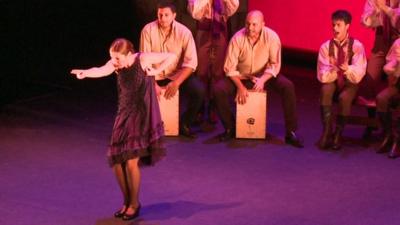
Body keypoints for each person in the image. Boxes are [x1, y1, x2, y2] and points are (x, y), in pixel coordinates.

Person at [70, 38, 176, 220]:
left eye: (117, 58)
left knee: (131, 162)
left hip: (140, 114)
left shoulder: (142, 59)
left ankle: (134, 204)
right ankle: (127, 201)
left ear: (128, 55)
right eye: (112, 58)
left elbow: (171, 56)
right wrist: (85, 73)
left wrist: (157, 71)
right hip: (124, 113)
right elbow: (102, 70)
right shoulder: (116, 63)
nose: (114, 62)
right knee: (116, 160)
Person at [212, 10, 303, 148]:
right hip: (241, 76)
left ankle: (291, 132)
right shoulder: (237, 38)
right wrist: (240, 87)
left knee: (288, 86)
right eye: (248, 24)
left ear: (262, 24)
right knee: (218, 89)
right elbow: (229, 68)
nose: (250, 28)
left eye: (254, 25)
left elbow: (274, 64)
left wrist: (263, 80)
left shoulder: (272, 37)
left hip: (264, 76)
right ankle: (231, 127)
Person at [140, 1, 205, 138]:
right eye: (160, 15)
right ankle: (149, 127)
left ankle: (185, 123)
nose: (162, 18)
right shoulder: (148, 30)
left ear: (174, 16)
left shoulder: (184, 32)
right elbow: (144, 61)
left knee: (199, 90)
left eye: (166, 15)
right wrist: (154, 84)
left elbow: (191, 63)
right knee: (140, 92)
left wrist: (177, 82)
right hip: (155, 75)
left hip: (176, 75)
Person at [316, 10, 367, 150]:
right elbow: (322, 75)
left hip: (350, 84)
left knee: (345, 98)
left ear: (347, 26)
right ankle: (327, 131)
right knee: (326, 89)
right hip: (334, 81)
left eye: (338, 25)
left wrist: (347, 69)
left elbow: (359, 72)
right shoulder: (326, 47)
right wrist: (335, 69)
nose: (335, 28)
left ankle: (338, 133)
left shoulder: (357, 46)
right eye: (333, 25)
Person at [187, 0, 239, 124]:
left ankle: (214, 105)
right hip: (203, 29)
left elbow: (233, 7)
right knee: (201, 71)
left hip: (220, 29)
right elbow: (194, 12)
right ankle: (200, 105)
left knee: (218, 71)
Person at [360, 0, 400, 137]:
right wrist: (375, 12)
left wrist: (384, 8)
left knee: (393, 84)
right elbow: (365, 21)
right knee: (370, 79)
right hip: (381, 41)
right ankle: (371, 122)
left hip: (398, 41)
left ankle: (390, 127)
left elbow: (398, 19)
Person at [376, 37, 400, 158]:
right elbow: (389, 61)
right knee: (382, 98)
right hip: (397, 85)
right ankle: (388, 134)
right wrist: (395, 64)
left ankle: (398, 140)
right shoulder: (398, 43)